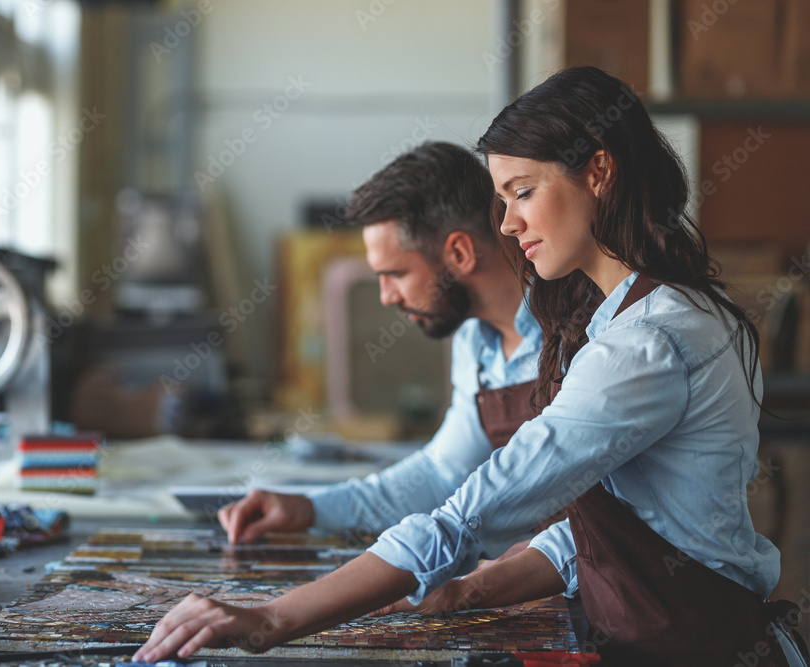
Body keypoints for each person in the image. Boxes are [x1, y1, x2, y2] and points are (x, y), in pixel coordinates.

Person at [135, 67, 808, 666]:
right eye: (501, 201)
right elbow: (600, 535)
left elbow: (470, 514)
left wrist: (271, 618)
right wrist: (465, 589)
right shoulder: (616, 319)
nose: (509, 225)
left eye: (522, 192)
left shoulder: (647, 342)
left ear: (598, 172)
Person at [218, 141, 543, 555]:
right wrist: (309, 509)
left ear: (459, 253)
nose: (386, 297)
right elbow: (440, 473)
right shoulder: (474, 339)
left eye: (396, 274)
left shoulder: (581, 329)